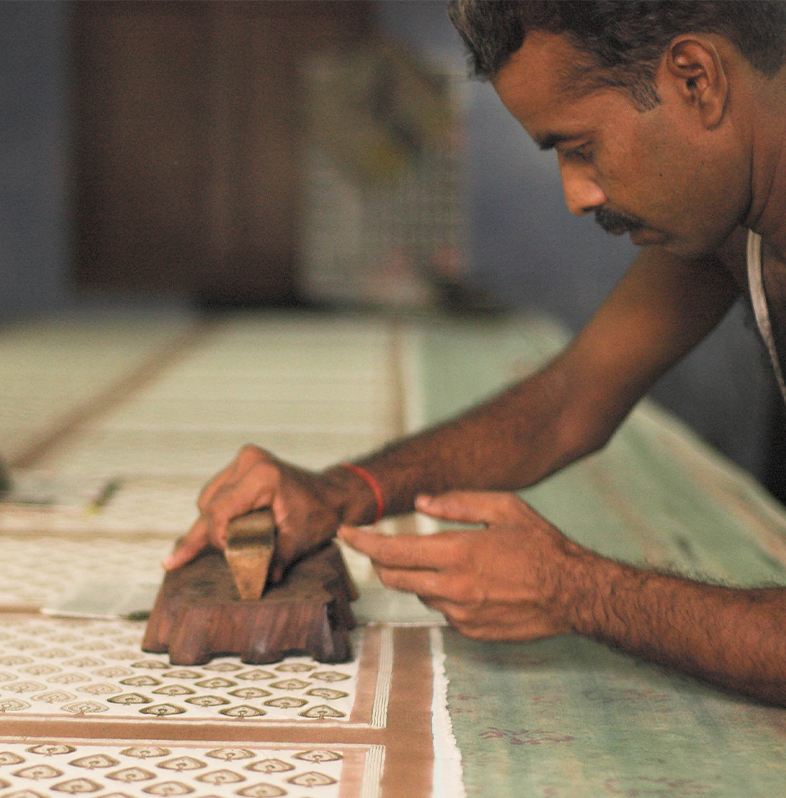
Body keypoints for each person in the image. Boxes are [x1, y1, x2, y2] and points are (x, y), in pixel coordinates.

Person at [166, 0, 786, 706]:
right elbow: (568, 403)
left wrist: (579, 592)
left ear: (697, 80)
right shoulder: (727, 223)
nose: (577, 195)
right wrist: (338, 493)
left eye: (579, 146)